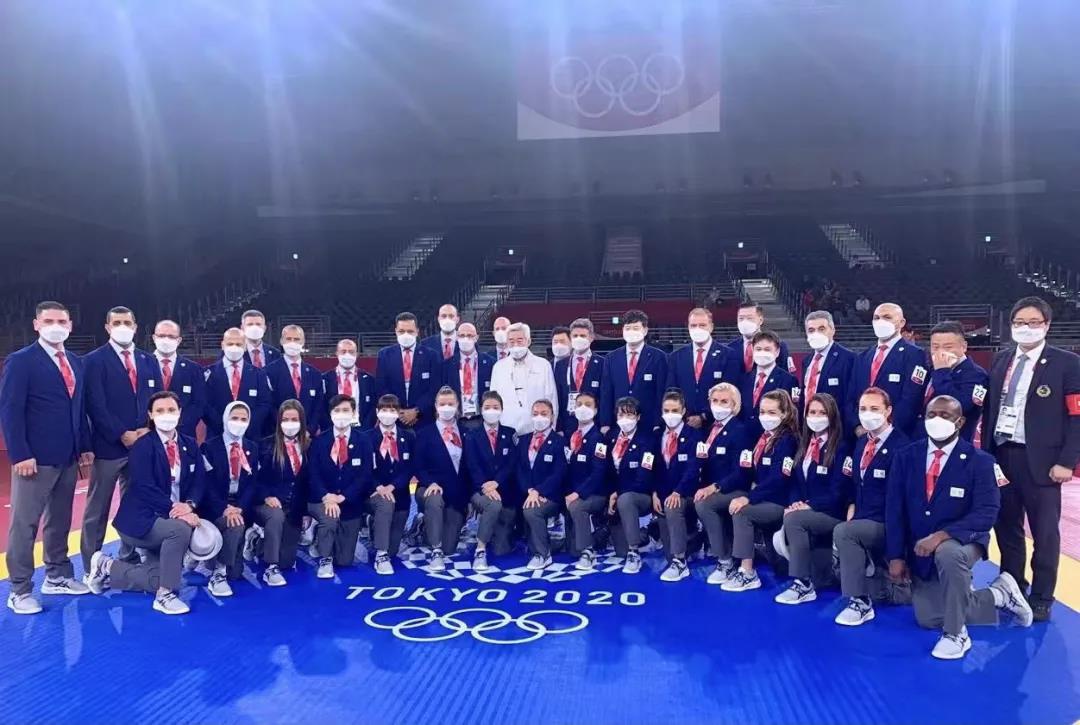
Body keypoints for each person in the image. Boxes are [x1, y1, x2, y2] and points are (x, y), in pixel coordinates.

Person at [886, 395, 1033, 659]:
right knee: (929, 617)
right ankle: (999, 596)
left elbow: (987, 512)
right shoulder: (906, 456)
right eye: (931, 415)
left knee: (948, 552)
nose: (937, 420)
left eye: (945, 415)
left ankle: (956, 633)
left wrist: (942, 536)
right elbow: (894, 510)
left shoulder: (981, 461)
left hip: (965, 540)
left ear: (960, 421)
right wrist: (896, 555)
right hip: (920, 548)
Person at [986, 296, 1080, 623]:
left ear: (1047, 325)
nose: (1025, 328)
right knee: (1006, 527)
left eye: (1033, 323)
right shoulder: (1001, 359)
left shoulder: (1067, 363)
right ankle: (1012, 586)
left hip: (1043, 461)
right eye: (1019, 323)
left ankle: (1041, 596)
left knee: (1045, 533)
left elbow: (1076, 417)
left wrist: (1067, 461)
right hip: (1002, 454)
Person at [0, 301, 93, 613]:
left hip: (67, 456)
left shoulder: (76, 362)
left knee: (60, 520)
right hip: (34, 460)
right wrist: (20, 454)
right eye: (49, 320)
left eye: (62, 321)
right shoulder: (21, 361)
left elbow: (78, 409)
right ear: (36, 325)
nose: (56, 326)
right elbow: (10, 411)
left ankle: (57, 575)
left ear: (70, 326)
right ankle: (19, 589)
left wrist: (84, 445)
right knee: (25, 525)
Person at [90, 391, 202, 615]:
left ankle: (107, 566)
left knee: (157, 579)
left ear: (180, 412)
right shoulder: (143, 446)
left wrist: (190, 505)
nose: (166, 415)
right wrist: (177, 511)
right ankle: (165, 595)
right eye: (159, 410)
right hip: (142, 521)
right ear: (150, 415)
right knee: (180, 530)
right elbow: (144, 486)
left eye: (171, 409)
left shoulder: (190, 444)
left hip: (169, 519)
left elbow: (200, 481)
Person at [82, 306, 162, 568]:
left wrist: (148, 429)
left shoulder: (149, 360)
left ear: (136, 327)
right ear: (107, 327)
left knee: (134, 503)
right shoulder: (93, 361)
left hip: (142, 444)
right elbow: (95, 404)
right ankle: (91, 563)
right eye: (117, 323)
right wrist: (121, 433)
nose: (122, 327)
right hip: (109, 446)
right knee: (98, 508)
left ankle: (128, 555)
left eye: (127, 322)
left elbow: (158, 400)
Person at [832, 387, 909, 626]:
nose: (868, 414)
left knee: (844, 533)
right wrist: (851, 509)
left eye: (874, 408)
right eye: (863, 409)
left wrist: (897, 553)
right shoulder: (862, 443)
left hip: (887, 523)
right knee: (843, 532)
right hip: (864, 517)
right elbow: (856, 484)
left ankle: (860, 601)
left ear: (888, 411)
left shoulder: (902, 448)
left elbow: (900, 503)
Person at [775, 393, 852, 604]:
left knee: (794, 519)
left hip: (831, 512)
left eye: (822, 413)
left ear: (832, 416)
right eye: (812, 412)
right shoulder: (805, 444)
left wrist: (807, 506)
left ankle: (803, 584)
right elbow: (795, 481)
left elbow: (838, 492)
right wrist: (795, 503)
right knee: (791, 516)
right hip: (807, 510)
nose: (816, 417)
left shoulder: (841, 447)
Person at [722, 390, 800, 592]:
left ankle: (747, 572)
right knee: (733, 504)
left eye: (772, 412)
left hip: (778, 501)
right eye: (763, 412)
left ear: (784, 414)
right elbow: (748, 470)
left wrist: (748, 498)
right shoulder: (762, 438)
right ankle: (728, 562)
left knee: (742, 512)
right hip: (762, 497)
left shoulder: (788, 441)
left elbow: (779, 479)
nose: (765, 417)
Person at [308, 394, 374, 579]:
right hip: (323, 500)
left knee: (345, 560)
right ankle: (325, 558)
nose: (341, 414)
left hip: (350, 502)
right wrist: (326, 497)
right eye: (337, 410)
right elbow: (313, 474)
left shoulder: (363, 440)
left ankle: (322, 536)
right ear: (330, 414)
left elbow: (365, 475)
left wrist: (343, 497)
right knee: (329, 517)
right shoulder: (320, 441)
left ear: (353, 413)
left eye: (346, 410)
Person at [200, 401, 260, 597]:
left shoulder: (252, 448)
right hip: (216, 505)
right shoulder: (209, 447)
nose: (239, 423)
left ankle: (226, 553)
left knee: (237, 574)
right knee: (235, 523)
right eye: (235, 418)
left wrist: (240, 507)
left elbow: (252, 485)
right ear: (226, 419)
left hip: (240, 506)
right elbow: (206, 485)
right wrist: (225, 508)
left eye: (244, 419)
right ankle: (218, 572)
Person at [694, 383, 752, 585]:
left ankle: (725, 561)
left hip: (734, 489)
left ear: (734, 405)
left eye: (724, 401)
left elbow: (742, 472)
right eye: (715, 401)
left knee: (704, 504)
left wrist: (715, 487)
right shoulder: (710, 429)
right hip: (711, 486)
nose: (718, 405)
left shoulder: (740, 430)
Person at [847, 303, 927, 437]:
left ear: (901, 323)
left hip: (896, 434)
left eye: (887, 317)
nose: (880, 322)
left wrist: (887, 430)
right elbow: (851, 397)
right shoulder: (862, 357)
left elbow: (911, 399)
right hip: (863, 435)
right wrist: (857, 426)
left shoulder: (915, 355)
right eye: (876, 318)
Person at [414, 386, 471, 571]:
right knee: (434, 498)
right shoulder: (424, 433)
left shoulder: (467, 433)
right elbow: (418, 465)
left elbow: (471, 468)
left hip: (457, 495)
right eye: (442, 404)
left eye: (450, 404)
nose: (447, 407)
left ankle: (424, 527)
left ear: (457, 405)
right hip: (430, 489)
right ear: (436, 406)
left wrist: (469, 498)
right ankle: (435, 551)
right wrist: (430, 482)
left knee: (450, 547)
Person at [256, 399, 311, 587]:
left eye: (294, 419)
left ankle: (257, 542)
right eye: (285, 419)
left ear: (301, 421)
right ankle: (271, 568)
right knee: (276, 516)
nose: (290, 423)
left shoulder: (308, 445)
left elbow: (308, 482)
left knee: (287, 561)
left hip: (294, 506)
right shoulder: (266, 445)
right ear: (279, 421)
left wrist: (305, 512)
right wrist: (266, 496)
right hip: (270, 503)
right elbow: (255, 479)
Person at [465, 391, 518, 569]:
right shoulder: (472, 435)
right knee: (493, 505)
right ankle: (480, 550)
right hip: (480, 490)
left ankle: (496, 529)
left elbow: (512, 463)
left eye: (496, 407)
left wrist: (497, 483)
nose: (491, 411)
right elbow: (472, 465)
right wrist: (485, 486)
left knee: (502, 549)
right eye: (487, 407)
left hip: (504, 491)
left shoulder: (510, 433)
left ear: (502, 409)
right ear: (481, 409)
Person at [654, 390, 703, 582]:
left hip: (687, 493)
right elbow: (653, 468)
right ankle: (693, 541)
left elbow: (694, 468)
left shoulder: (695, 435)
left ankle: (680, 562)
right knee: (668, 551)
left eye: (675, 410)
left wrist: (678, 491)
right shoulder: (657, 435)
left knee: (673, 505)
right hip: (663, 494)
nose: (670, 414)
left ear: (683, 411)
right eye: (666, 410)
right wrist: (654, 493)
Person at [363, 394, 415, 575]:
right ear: (377, 412)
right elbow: (364, 469)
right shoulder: (366, 438)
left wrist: (392, 487)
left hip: (400, 496)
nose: (388, 413)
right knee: (384, 504)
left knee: (394, 549)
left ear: (398, 412)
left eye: (392, 410)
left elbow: (411, 467)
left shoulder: (409, 436)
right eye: (384, 410)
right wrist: (378, 487)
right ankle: (381, 555)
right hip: (373, 494)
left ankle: (377, 527)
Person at [606, 396, 658, 575]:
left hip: (640, 494)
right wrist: (611, 492)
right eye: (621, 415)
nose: (625, 419)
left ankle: (634, 552)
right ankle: (637, 536)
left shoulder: (648, 440)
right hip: (615, 495)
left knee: (626, 499)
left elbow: (644, 475)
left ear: (638, 417)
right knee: (619, 550)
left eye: (630, 415)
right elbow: (605, 470)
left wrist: (618, 493)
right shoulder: (610, 437)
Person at [666, 308, 742, 429]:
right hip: (684, 423)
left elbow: (730, 390)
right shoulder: (676, 356)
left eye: (702, 325)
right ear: (688, 327)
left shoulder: (729, 355)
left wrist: (704, 416)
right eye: (693, 325)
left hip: (716, 422)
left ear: (711, 327)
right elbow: (672, 390)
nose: (698, 329)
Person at [915, 321, 989, 442]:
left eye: (948, 347)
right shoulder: (929, 368)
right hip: (921, 438)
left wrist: (942, 372)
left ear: (964, 346)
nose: (940, 352)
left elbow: (962, 406)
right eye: (935, 347)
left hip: (954, 441)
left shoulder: (977, 375)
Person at [516, 400, 568, 570]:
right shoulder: (523, 440)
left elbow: (559, 473)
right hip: (528, 492)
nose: (539, 417)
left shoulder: (560, 442)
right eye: (536, 413)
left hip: (550, 495)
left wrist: (539, 491)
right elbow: (519, 470)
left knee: (532, 510)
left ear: (552, 416)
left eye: (544, 414)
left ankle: (542, 554)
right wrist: (530, 490)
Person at [563, 391, 611, 570]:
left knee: (577, 506)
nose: (582, 408)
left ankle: (588, 551)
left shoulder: (599, 439)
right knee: (571, 550)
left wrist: (578, 493)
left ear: (596, 410)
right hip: (571, 492)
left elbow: (598, 473)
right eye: (579, 404)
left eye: (588, 405)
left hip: (594, 494)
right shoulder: (570, 435)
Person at [600, 310, 668, 433]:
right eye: (628, 328)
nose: (631, 331)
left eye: (636, 328)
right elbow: (606, 392)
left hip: (648, 423)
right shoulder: (611, 358)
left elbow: (661, 392)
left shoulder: (659, 357)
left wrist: (658, 422)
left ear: (645, 330)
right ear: (623, 330)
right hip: (619, 423)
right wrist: (605, 422)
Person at [489, 322, 559, 436]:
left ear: (528, 341)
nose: (515, 345)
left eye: (520, 340)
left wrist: (551, 430)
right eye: (511, 341)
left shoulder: (543, 365)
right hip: (507, 429)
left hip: (536, 429)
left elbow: (552, 399)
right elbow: (493, 400)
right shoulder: (498, 367)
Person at [374, 312, 439, 428]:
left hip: (424, 419)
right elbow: (381, 386)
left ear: (417, 331)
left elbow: (434, 388)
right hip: (394, 419)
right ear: (396, 331)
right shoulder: (385, 355)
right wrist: (397, 410)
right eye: (401, 331)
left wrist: (417, 410)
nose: (406, 335)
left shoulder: (431, 355)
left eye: (410, 331)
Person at [203, 327, 272, 437]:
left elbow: (264, 404)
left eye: (238, 344)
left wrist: (245, 424)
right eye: (230, 344)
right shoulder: (208, 374)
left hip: (250, 437)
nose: (234, 347)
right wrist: (225, 425)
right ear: (222, 345)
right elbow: (204, 404)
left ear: (245, 347)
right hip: (217, 435)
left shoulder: (259, 374)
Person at [265, 325, 324, 436]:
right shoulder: (269, 371)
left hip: (308, 436)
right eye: (288, 339)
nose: (292, 343)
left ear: (303, 342)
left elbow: (318, 406)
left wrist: (309, 430)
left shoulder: (315, 374)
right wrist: (283, 429)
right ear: (281, 341)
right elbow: (269, 404)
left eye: (296, 339)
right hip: (278, 434)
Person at [739, 330, 800, 438]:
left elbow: (791, 414)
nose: (762, 353)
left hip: (774, 438)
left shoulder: (789, 380)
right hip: (745, 437)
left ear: (777, 352)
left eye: (767, 349)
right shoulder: (743, 379)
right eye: (758, 349)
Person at [151, 319, 205, 438]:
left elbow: (198, 404)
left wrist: (174, 426)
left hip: (183, 434)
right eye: (161, 336)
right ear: (154, 338)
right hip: (149, 433)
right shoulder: (142, 365)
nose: (166, 340)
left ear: (179, 340)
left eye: (171, 336)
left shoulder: (194, 369)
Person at [802, 311, 855, 425]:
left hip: (836, 425)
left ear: (832, 330)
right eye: (811, 330)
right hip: (808, 424)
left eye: (821, 329)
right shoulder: (807, 361)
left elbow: (851, 397)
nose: (816, 334)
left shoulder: (848, 358)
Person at [553, 318, 604, 433]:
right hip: (567, 423)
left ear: (591, 337)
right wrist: (559, 427)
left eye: (583, 336)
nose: (578, 339)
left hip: (594, 424)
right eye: (575, 336)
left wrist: (603, 424)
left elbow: (604, 396)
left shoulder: (602, 363)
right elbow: (558, 397)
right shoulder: (561, 365)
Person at [443, 322, 494, 430]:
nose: (465, 339)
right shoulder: (446, 365)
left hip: (483, 418)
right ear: (457, 337)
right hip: (456, 418)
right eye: (462, 335)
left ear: (476, 337)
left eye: (470, 335)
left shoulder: (490, 362)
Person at [727, 302, 795, 377]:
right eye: (741, 318)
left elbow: (787, 376)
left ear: (761, 320)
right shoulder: (730, 348)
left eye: (750, 318)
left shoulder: (778, 345)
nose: (745, 322)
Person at [322, 338, 375, 430]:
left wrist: (366, 429)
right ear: (337, 354)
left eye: (351, 352)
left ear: (356, 354)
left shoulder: (369, 379)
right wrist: (329, 428)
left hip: (361, 429)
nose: (347, 355)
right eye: (343, 352)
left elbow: (372, 407)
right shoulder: (325, 379)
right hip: (333, 428)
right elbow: (322, 407)